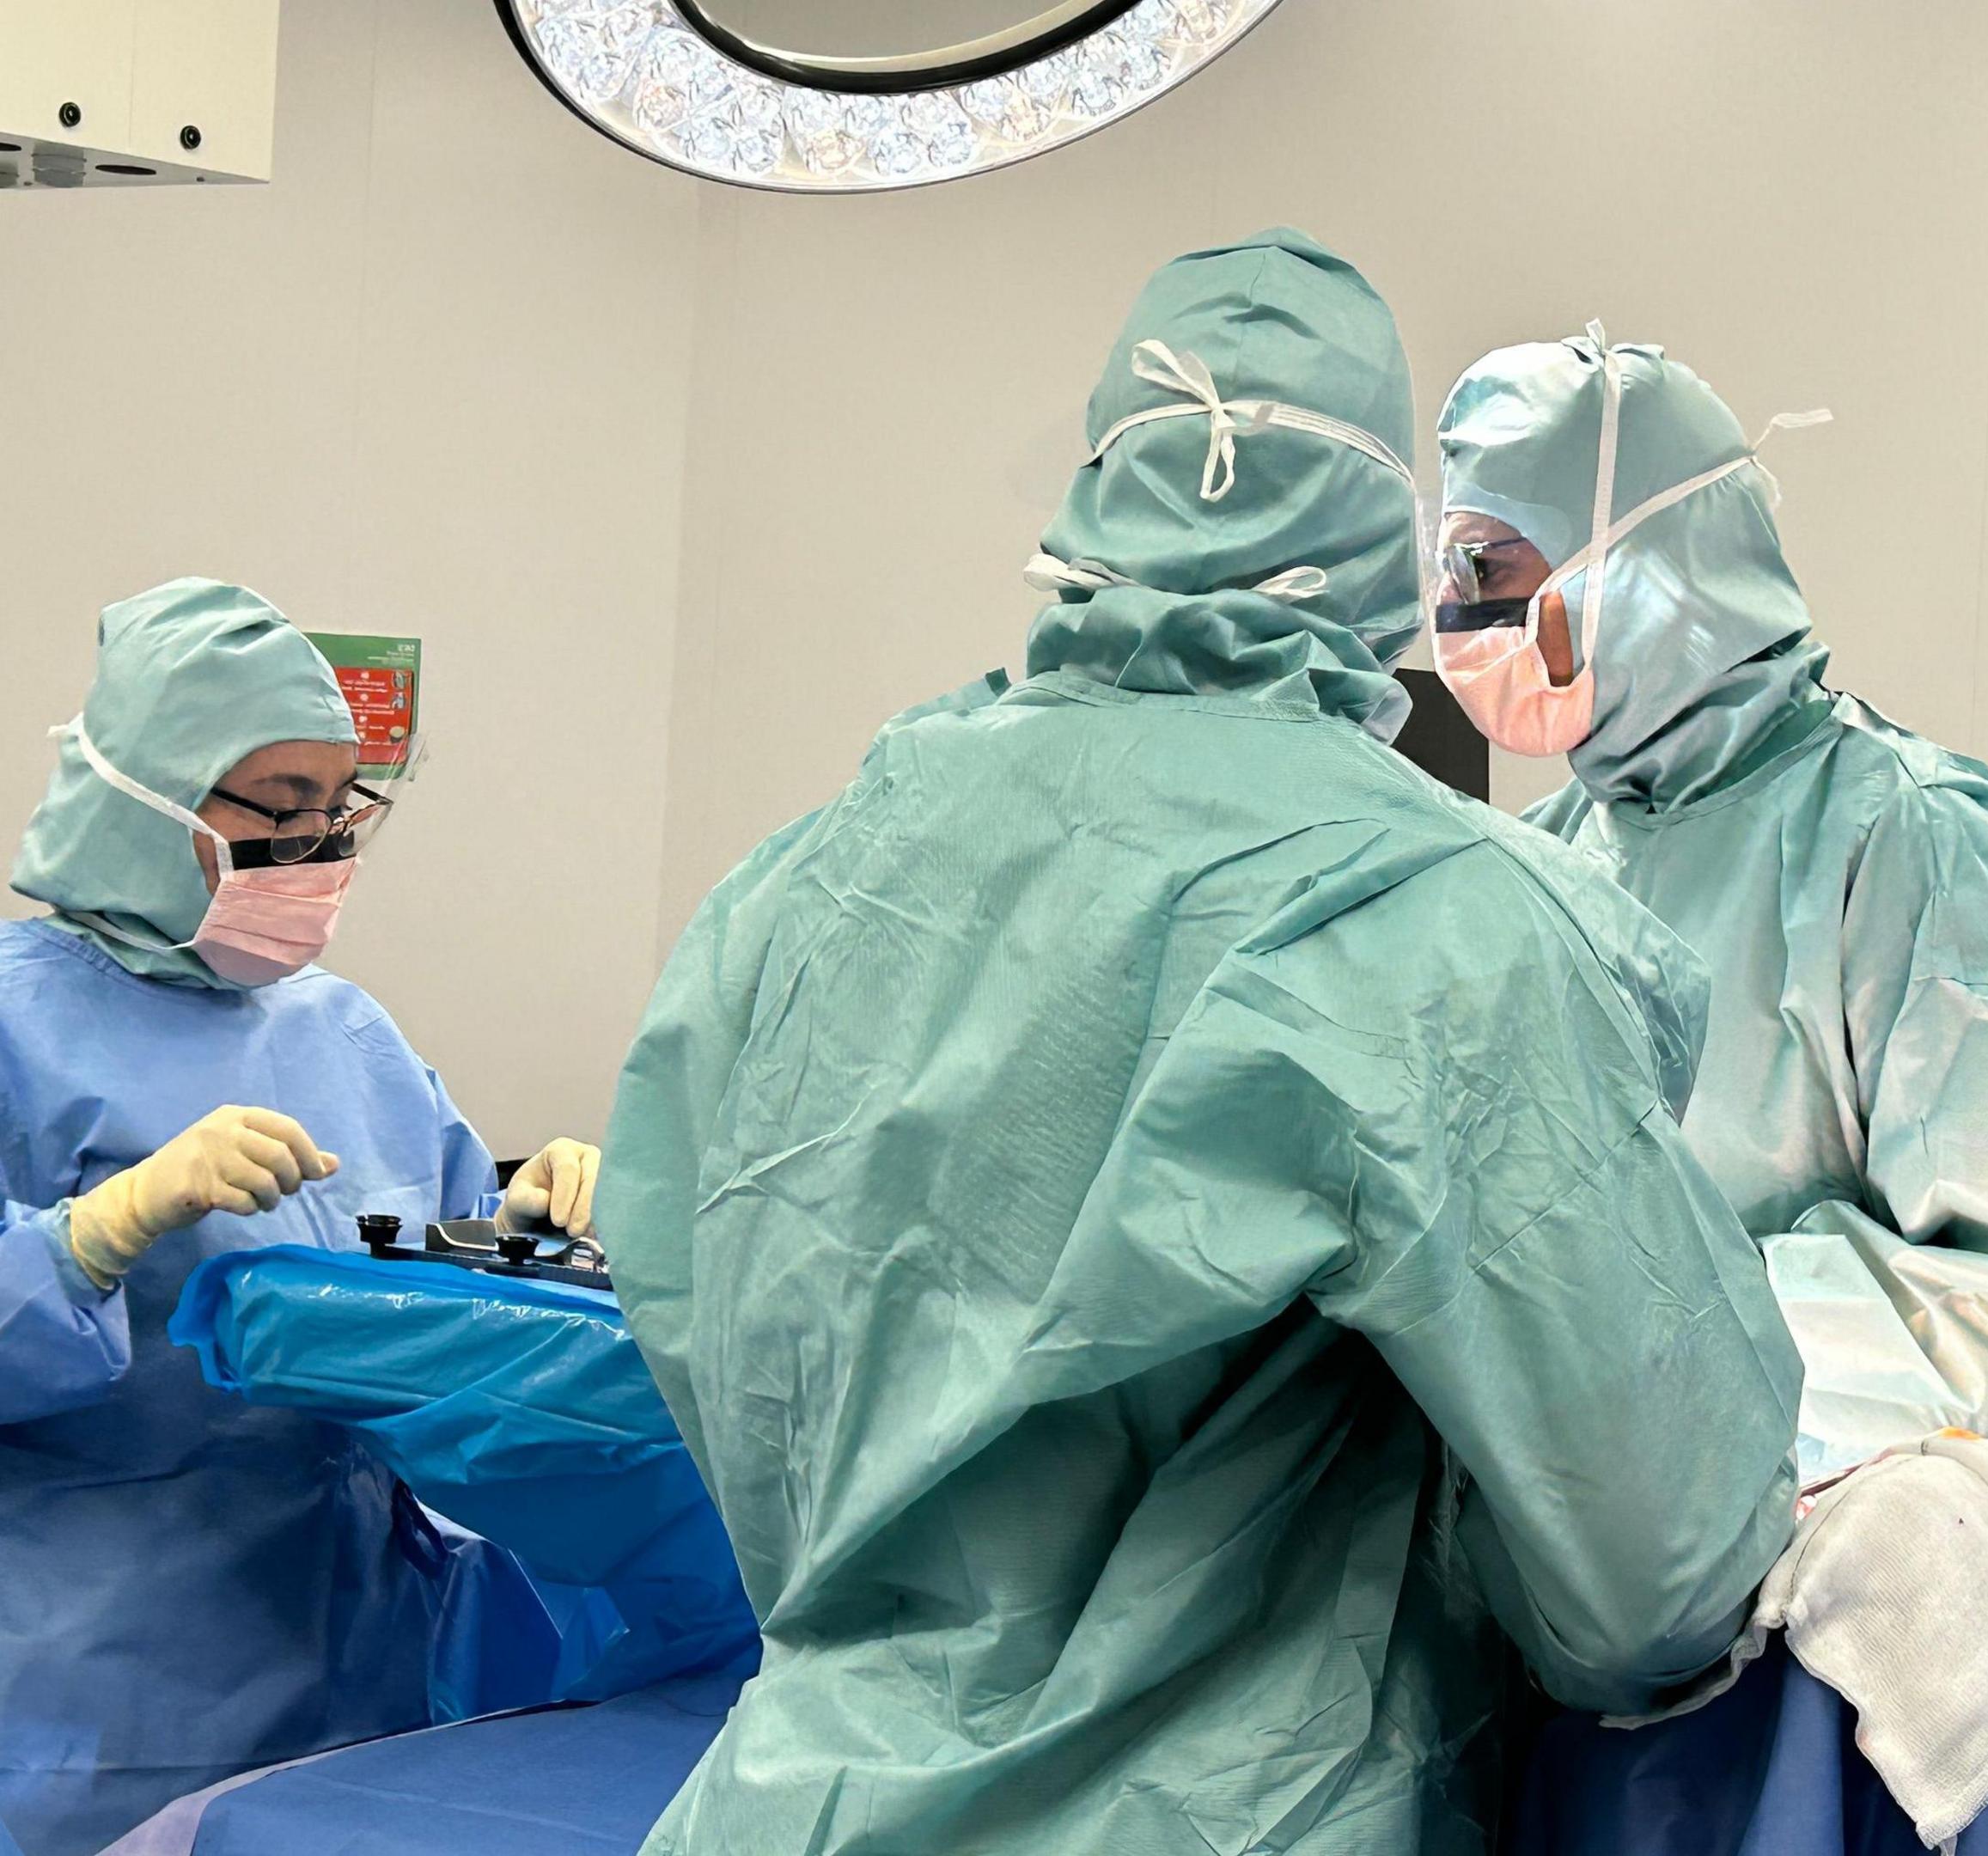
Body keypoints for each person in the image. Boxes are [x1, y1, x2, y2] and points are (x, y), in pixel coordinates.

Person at [597, 231, 1802, 1855]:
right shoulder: (1440, 919)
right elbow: (1657, 1573)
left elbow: (711, 1348)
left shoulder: (803, 880)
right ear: (1394, 540)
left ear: (1098, 505)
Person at [1432, 333, 1988, 1480]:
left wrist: (1635, 1349)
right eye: (1453, 571)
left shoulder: (1900, 840)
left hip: (1813, 1521)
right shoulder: (1561, 848)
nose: (1460, 622)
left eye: (1491, 570)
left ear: (1651, 560)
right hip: (1580, 1518)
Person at [0, 578, 604, 1856]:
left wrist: (526, 1233)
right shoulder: (16, 1027)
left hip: (357, 1647)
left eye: (342, 812)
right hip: (96, 1680)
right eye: (281, 809)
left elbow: (407, 1259)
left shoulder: (343, 1029)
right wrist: (92, 1237)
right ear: (143, 800)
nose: (320, 848)